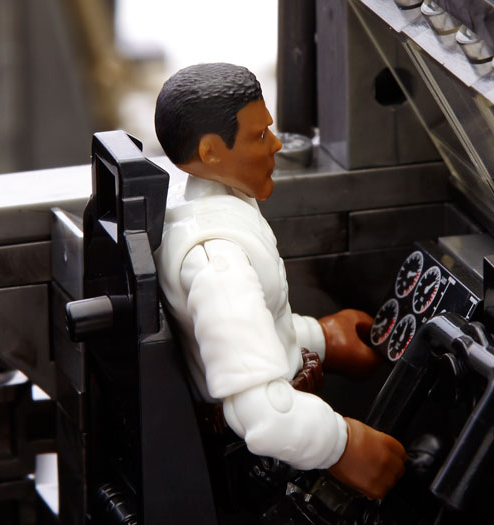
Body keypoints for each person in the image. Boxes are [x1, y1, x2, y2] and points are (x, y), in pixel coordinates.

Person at [153, 63, 406, 500]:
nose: (276, 145)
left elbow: (246, 333)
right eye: (259, 136)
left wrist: (319, 338)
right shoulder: (218, 263)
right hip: (262, 471)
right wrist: (342, 445)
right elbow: (261, 414)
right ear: (211, 152)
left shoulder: (209, 205)